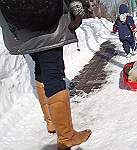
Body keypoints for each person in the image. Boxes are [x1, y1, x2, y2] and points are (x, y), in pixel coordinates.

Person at [0, 0, 91, 149]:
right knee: (53, 73)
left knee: (40, 67)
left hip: (18, 24)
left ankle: (51, 122)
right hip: (49, 21)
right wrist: (76, 9)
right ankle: (66, 137)